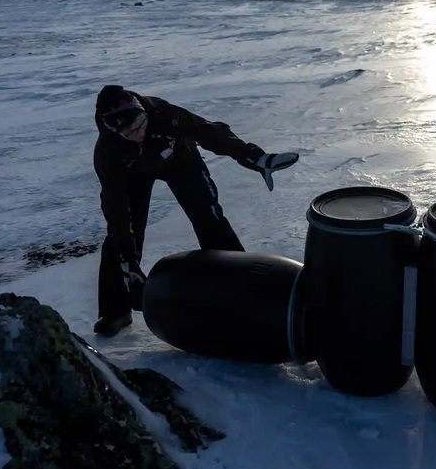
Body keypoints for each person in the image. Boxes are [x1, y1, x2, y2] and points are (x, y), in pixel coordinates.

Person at [92, 84, 299, 336]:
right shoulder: (108, 151)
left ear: (143, 113)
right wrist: (127, 257)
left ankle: (242, 289)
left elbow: (208, 132)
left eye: (140, 125)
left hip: (180, 159)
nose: (138, 134)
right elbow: (115, 206)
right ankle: (116, 311)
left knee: (209, 218)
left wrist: (254, 156)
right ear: (114, 130)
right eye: (129, 133)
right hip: (133, 173)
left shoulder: (165, 114)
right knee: (121, 236)